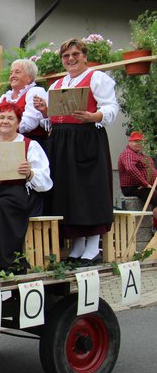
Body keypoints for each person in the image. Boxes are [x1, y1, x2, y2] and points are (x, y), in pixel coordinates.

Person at [34, 38, 119, 265]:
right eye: (66, 56)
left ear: (84, 56)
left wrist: (95, 116)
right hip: (61, 141)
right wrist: (46, 112)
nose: (70, 59)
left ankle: (92, 246)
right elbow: (52, 119)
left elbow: (111, 106)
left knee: (88, 191)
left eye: (75, 54)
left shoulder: (97, 78)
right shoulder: (57, 85)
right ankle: (77, 245)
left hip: (86, 138)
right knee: (68, 192)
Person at [0, 103, 52, 270]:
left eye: (11, 118)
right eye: (1, 117)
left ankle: (5, 262)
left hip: (18, 193)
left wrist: (29, 173)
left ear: (18, 123)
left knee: (1, 207)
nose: (5, 121)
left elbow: (45, 181)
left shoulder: (30, 145)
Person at [0, 59, 49, 143]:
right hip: (6, 143)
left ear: (29, 78)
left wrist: (3, 126)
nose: (12, 76)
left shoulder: (35, 92)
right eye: (11, 73)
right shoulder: (5, 97)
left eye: (17, 72)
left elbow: (29, 123)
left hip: (29, 144)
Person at [118, 131, 157, 231]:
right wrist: (144, 183)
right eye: (136, 141)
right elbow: (130, 169)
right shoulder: (128, 154)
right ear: (130, 142)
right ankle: (155, 228)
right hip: (134, 187)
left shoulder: (143, 155)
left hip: (147, 186)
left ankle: (154, 225)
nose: (138, 144)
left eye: (141, 141)